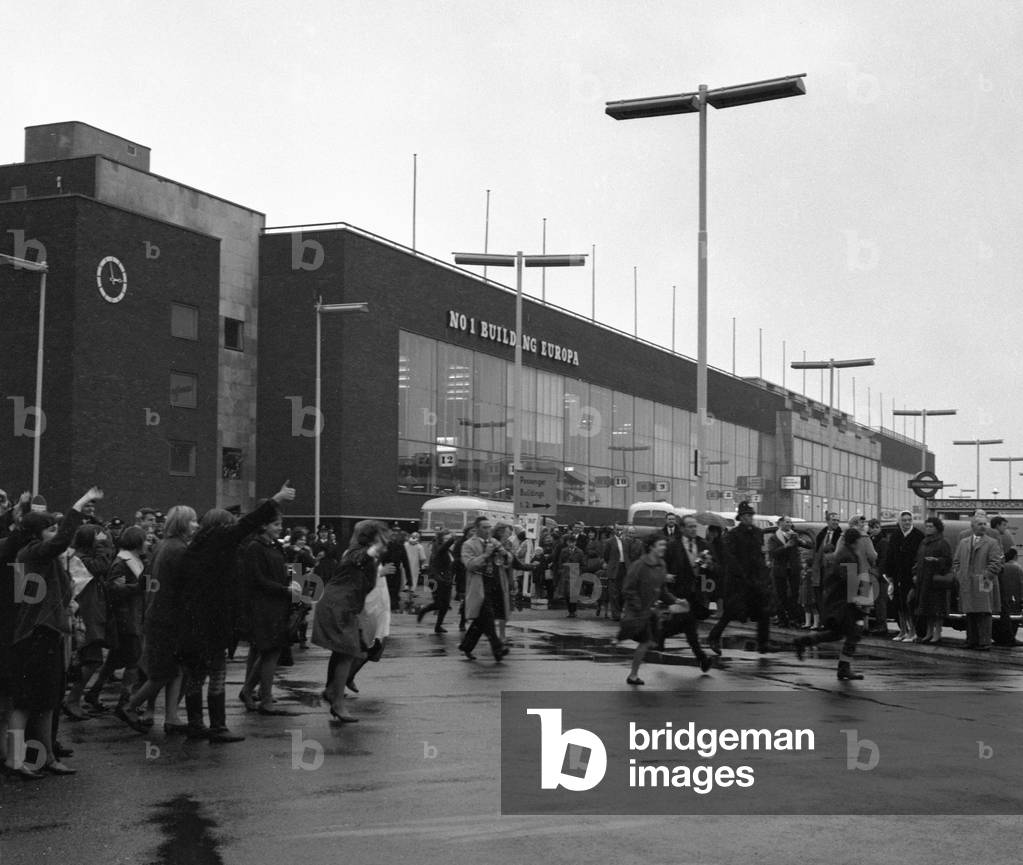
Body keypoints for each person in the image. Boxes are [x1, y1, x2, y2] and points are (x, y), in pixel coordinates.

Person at [5, 486, 101, 780]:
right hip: (36, 636)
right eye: (51, 528)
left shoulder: (37, 555)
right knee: (25, 702)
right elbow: (60, 544)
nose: (57, 532)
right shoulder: (33, 552)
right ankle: (16, 759)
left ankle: (44, 756)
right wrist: (80, 504)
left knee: (46, 701)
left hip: (46, 633)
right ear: (36, 534)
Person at [312, 520, 390, 723]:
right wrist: (373, 551)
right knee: (348, 653)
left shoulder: (364, 554)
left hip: (344, 605)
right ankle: (337, 702)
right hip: (339, 605)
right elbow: (358, 559)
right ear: (372, 538)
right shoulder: (357, 552)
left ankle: (333, 693)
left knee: (344, 652)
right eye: (382, 536)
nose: (386, 540)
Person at [125, 505, 195, 735]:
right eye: (192, 521)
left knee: (173, 670)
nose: (195, 525)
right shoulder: (179, 550)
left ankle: (171, 716)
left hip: (157, 614)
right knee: (164, 672)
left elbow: (146, 579)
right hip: (169, 617)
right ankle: (129, 706)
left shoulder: (162, 546)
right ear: (182, 524)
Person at [239, 511, 308, 714]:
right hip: (264, 606)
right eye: (275, 524)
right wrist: (285, 590)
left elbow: (285, 571)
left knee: (272, 651)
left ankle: (251, 690)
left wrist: (293, 589)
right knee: (269, 650)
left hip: (278, 604)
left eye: (280, 524)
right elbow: (258, 579)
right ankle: (264, 697)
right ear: (264, 526)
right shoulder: (255, 548)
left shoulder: (275, 546)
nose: (279, 528)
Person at [617, 532, 697, 685]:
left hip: (650, 612)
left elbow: (662, 590)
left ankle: (633, 673)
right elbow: (628, 589)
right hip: (637, 610)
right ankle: (632, 673)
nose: (664, 548)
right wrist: (638, 606)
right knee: (646, 641)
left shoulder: (661, 564)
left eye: (664, 545)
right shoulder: (639, 565)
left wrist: (677, 600)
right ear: (651, 547)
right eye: (661, 545)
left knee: (647, 641)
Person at [793, 527, 871, 680]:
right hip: (844, 603)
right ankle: (844, 668)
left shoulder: (845, 553)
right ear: (855, 541)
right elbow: (849, 580)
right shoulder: (848, 556)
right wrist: (859, 598)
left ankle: (803, 641)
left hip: (839, 601)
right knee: (854, 633)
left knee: (837, 634)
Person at [85, 527, 148, 712]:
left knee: (114, 660)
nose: (147, 543)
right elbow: (113, 589)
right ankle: (125, 700)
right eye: (144, 540)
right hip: (127, 620)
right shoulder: (123, 563)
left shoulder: (135, 560)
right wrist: (137, 588)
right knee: (133, 661)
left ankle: (94, 692)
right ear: (136, 542)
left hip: (132, 617)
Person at [60, 524, 115, 718]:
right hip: (84, 617)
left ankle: (73, 699)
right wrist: (102, 544)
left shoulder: (77, 557)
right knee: (92, 660)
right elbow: (102, 566)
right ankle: (72, 700)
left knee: (90, 659)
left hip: (89, 615)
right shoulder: (80, 560)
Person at [707, 501, 772, 654]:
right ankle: (713, 637)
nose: (750, 518)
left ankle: (763, 643)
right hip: (738, 581)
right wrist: (740, 575)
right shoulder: (734, 535)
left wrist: (763, 575)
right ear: (741, 517)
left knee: (764, 610)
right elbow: (730, 557)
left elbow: (760, 555)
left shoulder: (758, 532)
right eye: (747, 515)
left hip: (755, 579)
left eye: (751, 515)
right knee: (731, 612)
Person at [458, 516, 509, 662]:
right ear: (477, 529)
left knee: (481, 622)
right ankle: (498, 648)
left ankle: (467, 646)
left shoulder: (493, 542)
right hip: (479, 587)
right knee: (488, 617)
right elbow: (470, 565)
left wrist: (504, 554)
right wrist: (486, 554)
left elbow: (508, 558)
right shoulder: (468, 544)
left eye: (489, 527)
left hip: (495, 585)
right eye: (484, 528)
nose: (488, 530)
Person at [951, 515, 1003, 651]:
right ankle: (971, 640)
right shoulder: (964, 542)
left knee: (984, 612)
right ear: (972, 526)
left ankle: (984, 641)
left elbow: (996, 562)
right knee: (970, 612)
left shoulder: (992, 543)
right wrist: (959, 575)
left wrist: (986, 575)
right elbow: (956, 561)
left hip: (984, 581)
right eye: (980, 524)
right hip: (967, 582)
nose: (983, 526)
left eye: (985, 524)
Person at [911, 517, 953, 644]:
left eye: (931, 526)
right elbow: (917, 560)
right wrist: (914, 573)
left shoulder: (943, 542)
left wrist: (937, 561)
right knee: (926, 608)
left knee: (937, 609)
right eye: (927, 526)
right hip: (923, 580)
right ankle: (929, 632)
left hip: (936, 581)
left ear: (937, 528)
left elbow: (948, 561)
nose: (928, 528)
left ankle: (937, 632)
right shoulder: (924, 542)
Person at [767, 516, 811, 629]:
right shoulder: (774, 538)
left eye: (790, 522)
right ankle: (782, 619)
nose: (789, 524)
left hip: (793, 569)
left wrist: (799, 541)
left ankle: (795, 618)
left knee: (794, 594)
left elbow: (809, 545)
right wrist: (786, 546)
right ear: (780, 523)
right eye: (787, 522)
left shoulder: (794, 535)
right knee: (780, 595)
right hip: (779, 569)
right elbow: (773, 553)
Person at [885, 511, 922, 642]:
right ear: (899, 521)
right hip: (897, 575)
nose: (906, 522)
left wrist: (916, 574)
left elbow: (919, 557)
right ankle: (903, 630)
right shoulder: (896, 535)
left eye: (909, 520)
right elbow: (890, 554)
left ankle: (913, 631)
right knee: (899, 604)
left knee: (909, 604)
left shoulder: (918, 536)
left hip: (910, 575)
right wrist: (888, 573)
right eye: (904, 520)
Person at [417, 528, 456, 632]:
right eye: (446, 538)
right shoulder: (439, 548)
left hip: (446, 579)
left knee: (445, 604)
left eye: (448, 538)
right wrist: (452, 538)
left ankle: (438, 626)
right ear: (441, 539)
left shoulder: (449, 551)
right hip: (436, 579)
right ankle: (424, 610)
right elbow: (444, 548)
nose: (448, 540)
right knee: (439, 603)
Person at [993, 548, 1022, 647]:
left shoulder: (1001, 567)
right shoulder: (1017, 568)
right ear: (1015, 556)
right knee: (1010, 618)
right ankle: (1009, 639)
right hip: (1013, 597)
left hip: (1000, 595)